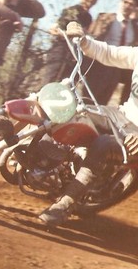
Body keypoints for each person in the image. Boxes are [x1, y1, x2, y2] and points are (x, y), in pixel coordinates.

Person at [39, 21, 138, 227]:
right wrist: (83, 40)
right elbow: (109, 53)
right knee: (74, 112)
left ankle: (65, 204)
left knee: (102, 145)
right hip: (119, 115)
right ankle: (43, 162)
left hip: (135, 134)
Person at [82, 0, 138, 105]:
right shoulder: (104, 18)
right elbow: (92, 38)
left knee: (102, 103)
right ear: (120, 2)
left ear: (134, 8)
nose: (127, 6)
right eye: (125, 2)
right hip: (99, 65)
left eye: (131, 4)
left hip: (116, 69)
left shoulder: (134, 28)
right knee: (87, 100)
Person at [42, 0, 99, 84]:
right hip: (60, 50)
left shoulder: (89, 17)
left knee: (66, 86)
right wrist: (71, 34)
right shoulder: (72, 10)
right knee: (49, 84)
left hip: (74, 55)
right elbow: (57, 29)